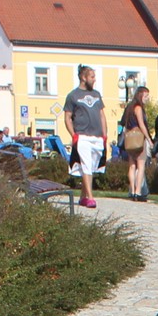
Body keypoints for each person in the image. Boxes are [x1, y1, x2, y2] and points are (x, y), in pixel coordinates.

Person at [63, 65, 106, 210]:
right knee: (86, 165)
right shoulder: (73, 96)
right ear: (83, 77)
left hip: (97, 136)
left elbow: (101, 115)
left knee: (91, 167)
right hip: (82, 136)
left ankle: (82, 197)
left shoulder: (97, 94)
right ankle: (90, 198)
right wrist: (73, 134)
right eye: (92, 77)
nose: (94, 80)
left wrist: (105, 134)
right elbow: (67, 117)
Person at [121, 85, 150, 202]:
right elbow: (141, 125)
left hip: (129, 139)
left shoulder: (129, 107)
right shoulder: (138, 108)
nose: (147, 99)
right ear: (141, 95)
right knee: (141, 165)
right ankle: (138, 191)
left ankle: (132, 190)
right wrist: (148, 138)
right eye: (146, 96)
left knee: (132, 166)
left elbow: (123, 122)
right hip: (138, 139)